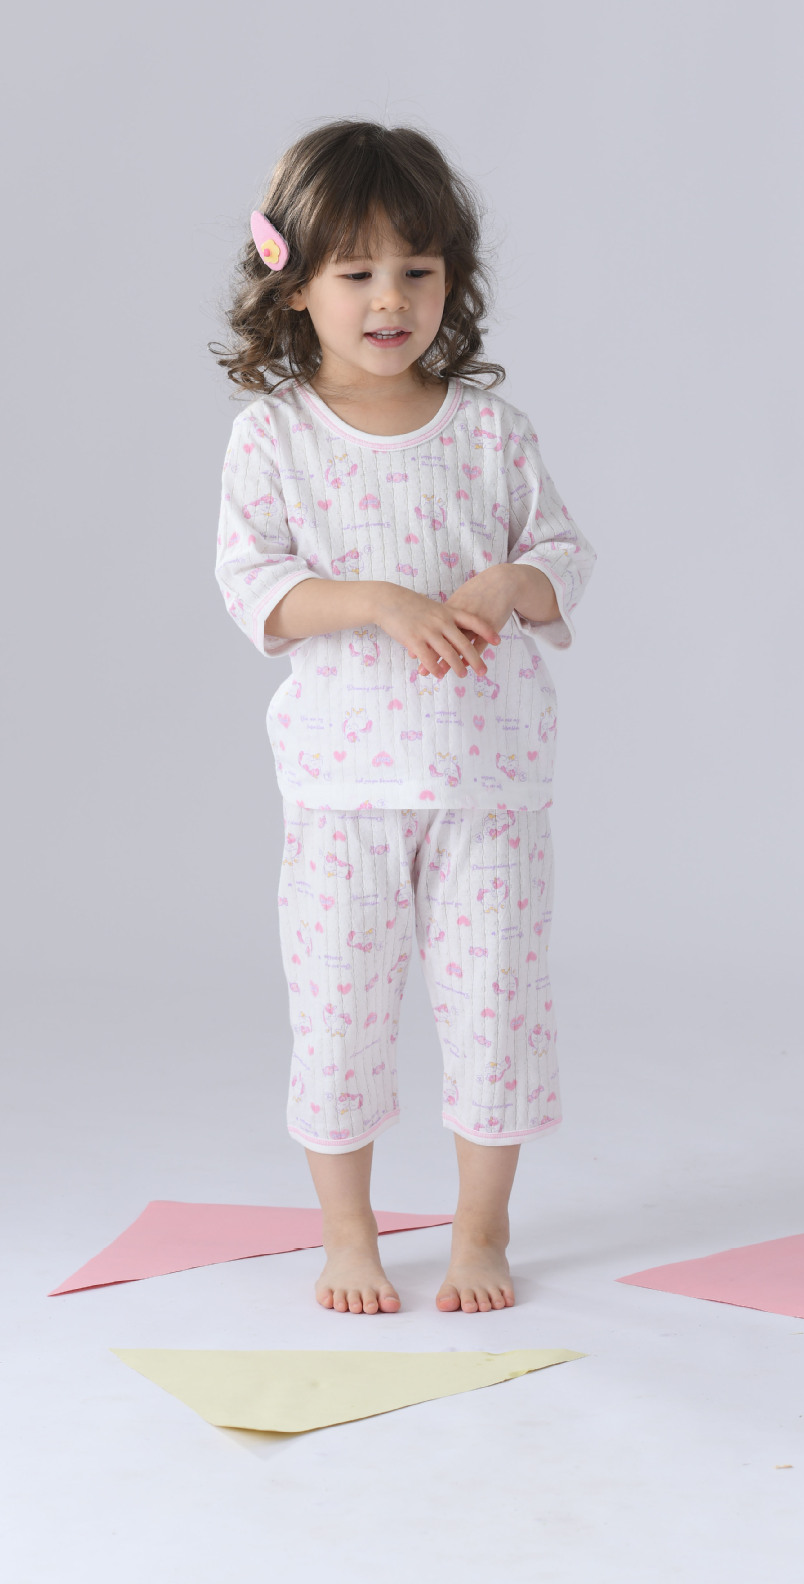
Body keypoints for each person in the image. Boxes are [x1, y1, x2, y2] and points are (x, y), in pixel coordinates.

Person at [213, 121, 595, 1316]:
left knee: (493, 1023)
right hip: (342, 796)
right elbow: (255, 586)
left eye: (416, 270)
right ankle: (348, 1236)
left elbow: (563, 556)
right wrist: (378, 601)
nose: (390, 299)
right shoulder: (273, 436)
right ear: (294, 284)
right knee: (336, 1025)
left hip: (488, 791)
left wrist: (510, 583)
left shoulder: (489, 431)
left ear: (451, 280)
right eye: (358, 271)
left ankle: (480, 1232)